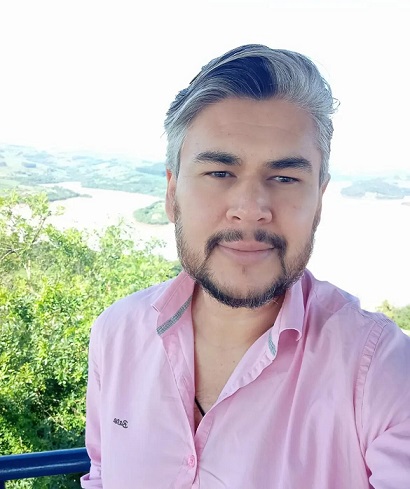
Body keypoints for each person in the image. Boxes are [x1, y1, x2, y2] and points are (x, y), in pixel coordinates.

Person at [80, 44, 410, 489]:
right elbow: (103, 474)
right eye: (220, 173)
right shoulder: (117, 334)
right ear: (172, 194)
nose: (251, 209)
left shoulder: (380, 371)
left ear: (318, 202)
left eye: (285, 178)